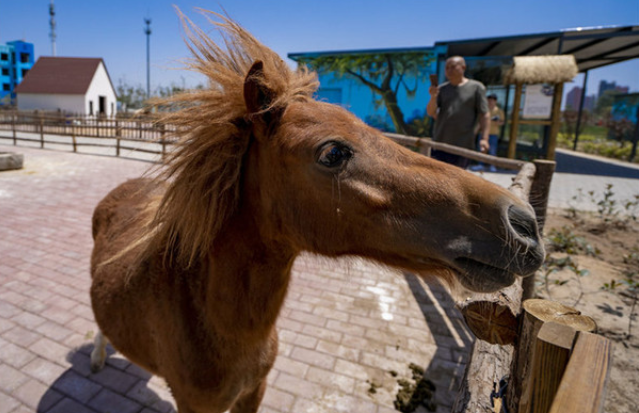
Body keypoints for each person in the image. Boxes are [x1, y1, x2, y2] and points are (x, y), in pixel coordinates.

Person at [426, 56, 490, 169]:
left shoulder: (476, 88)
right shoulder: (442, 89)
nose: (449, 70)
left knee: (455, 181)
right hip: (440, 143)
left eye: (453, 67)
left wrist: (484, 139)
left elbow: (484, 114)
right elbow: (431, 112)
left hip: (463, 145)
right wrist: (433, 97)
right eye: (447, 68)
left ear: (463, 67)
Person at [472, 93, 504, 172]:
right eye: (489, 100)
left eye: (492, 100)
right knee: (482, 150)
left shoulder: (499, 111)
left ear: (495, 101)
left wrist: (497, 121)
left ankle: (492, 166)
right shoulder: (484, 110)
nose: (490, 102)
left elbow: (502, 122)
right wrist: (475, 132)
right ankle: (480, 165)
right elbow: (480, 122)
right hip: (482, 134)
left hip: (493, 134)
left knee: (492, 151)